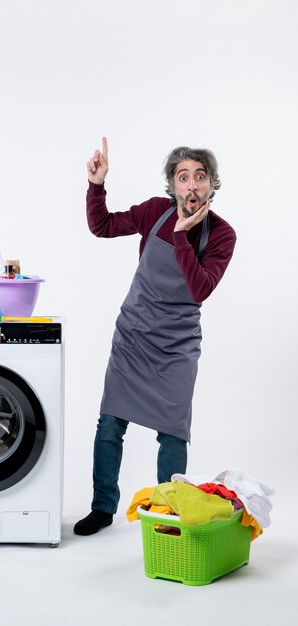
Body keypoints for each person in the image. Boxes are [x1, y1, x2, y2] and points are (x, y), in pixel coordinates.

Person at [73, 137, 237, 536]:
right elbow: (102, 226)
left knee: (172, 432)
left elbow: (199, 288)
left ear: (212, 184)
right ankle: (102, 507)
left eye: (201, 177)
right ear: (172, 185)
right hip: (134, 336)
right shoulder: (153, 212)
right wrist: (97, 185)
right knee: (110, 423)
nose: (192, 185)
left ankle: (167, 513)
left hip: (177, 347)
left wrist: (182, 235)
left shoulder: (222, 235)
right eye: (184, 177)